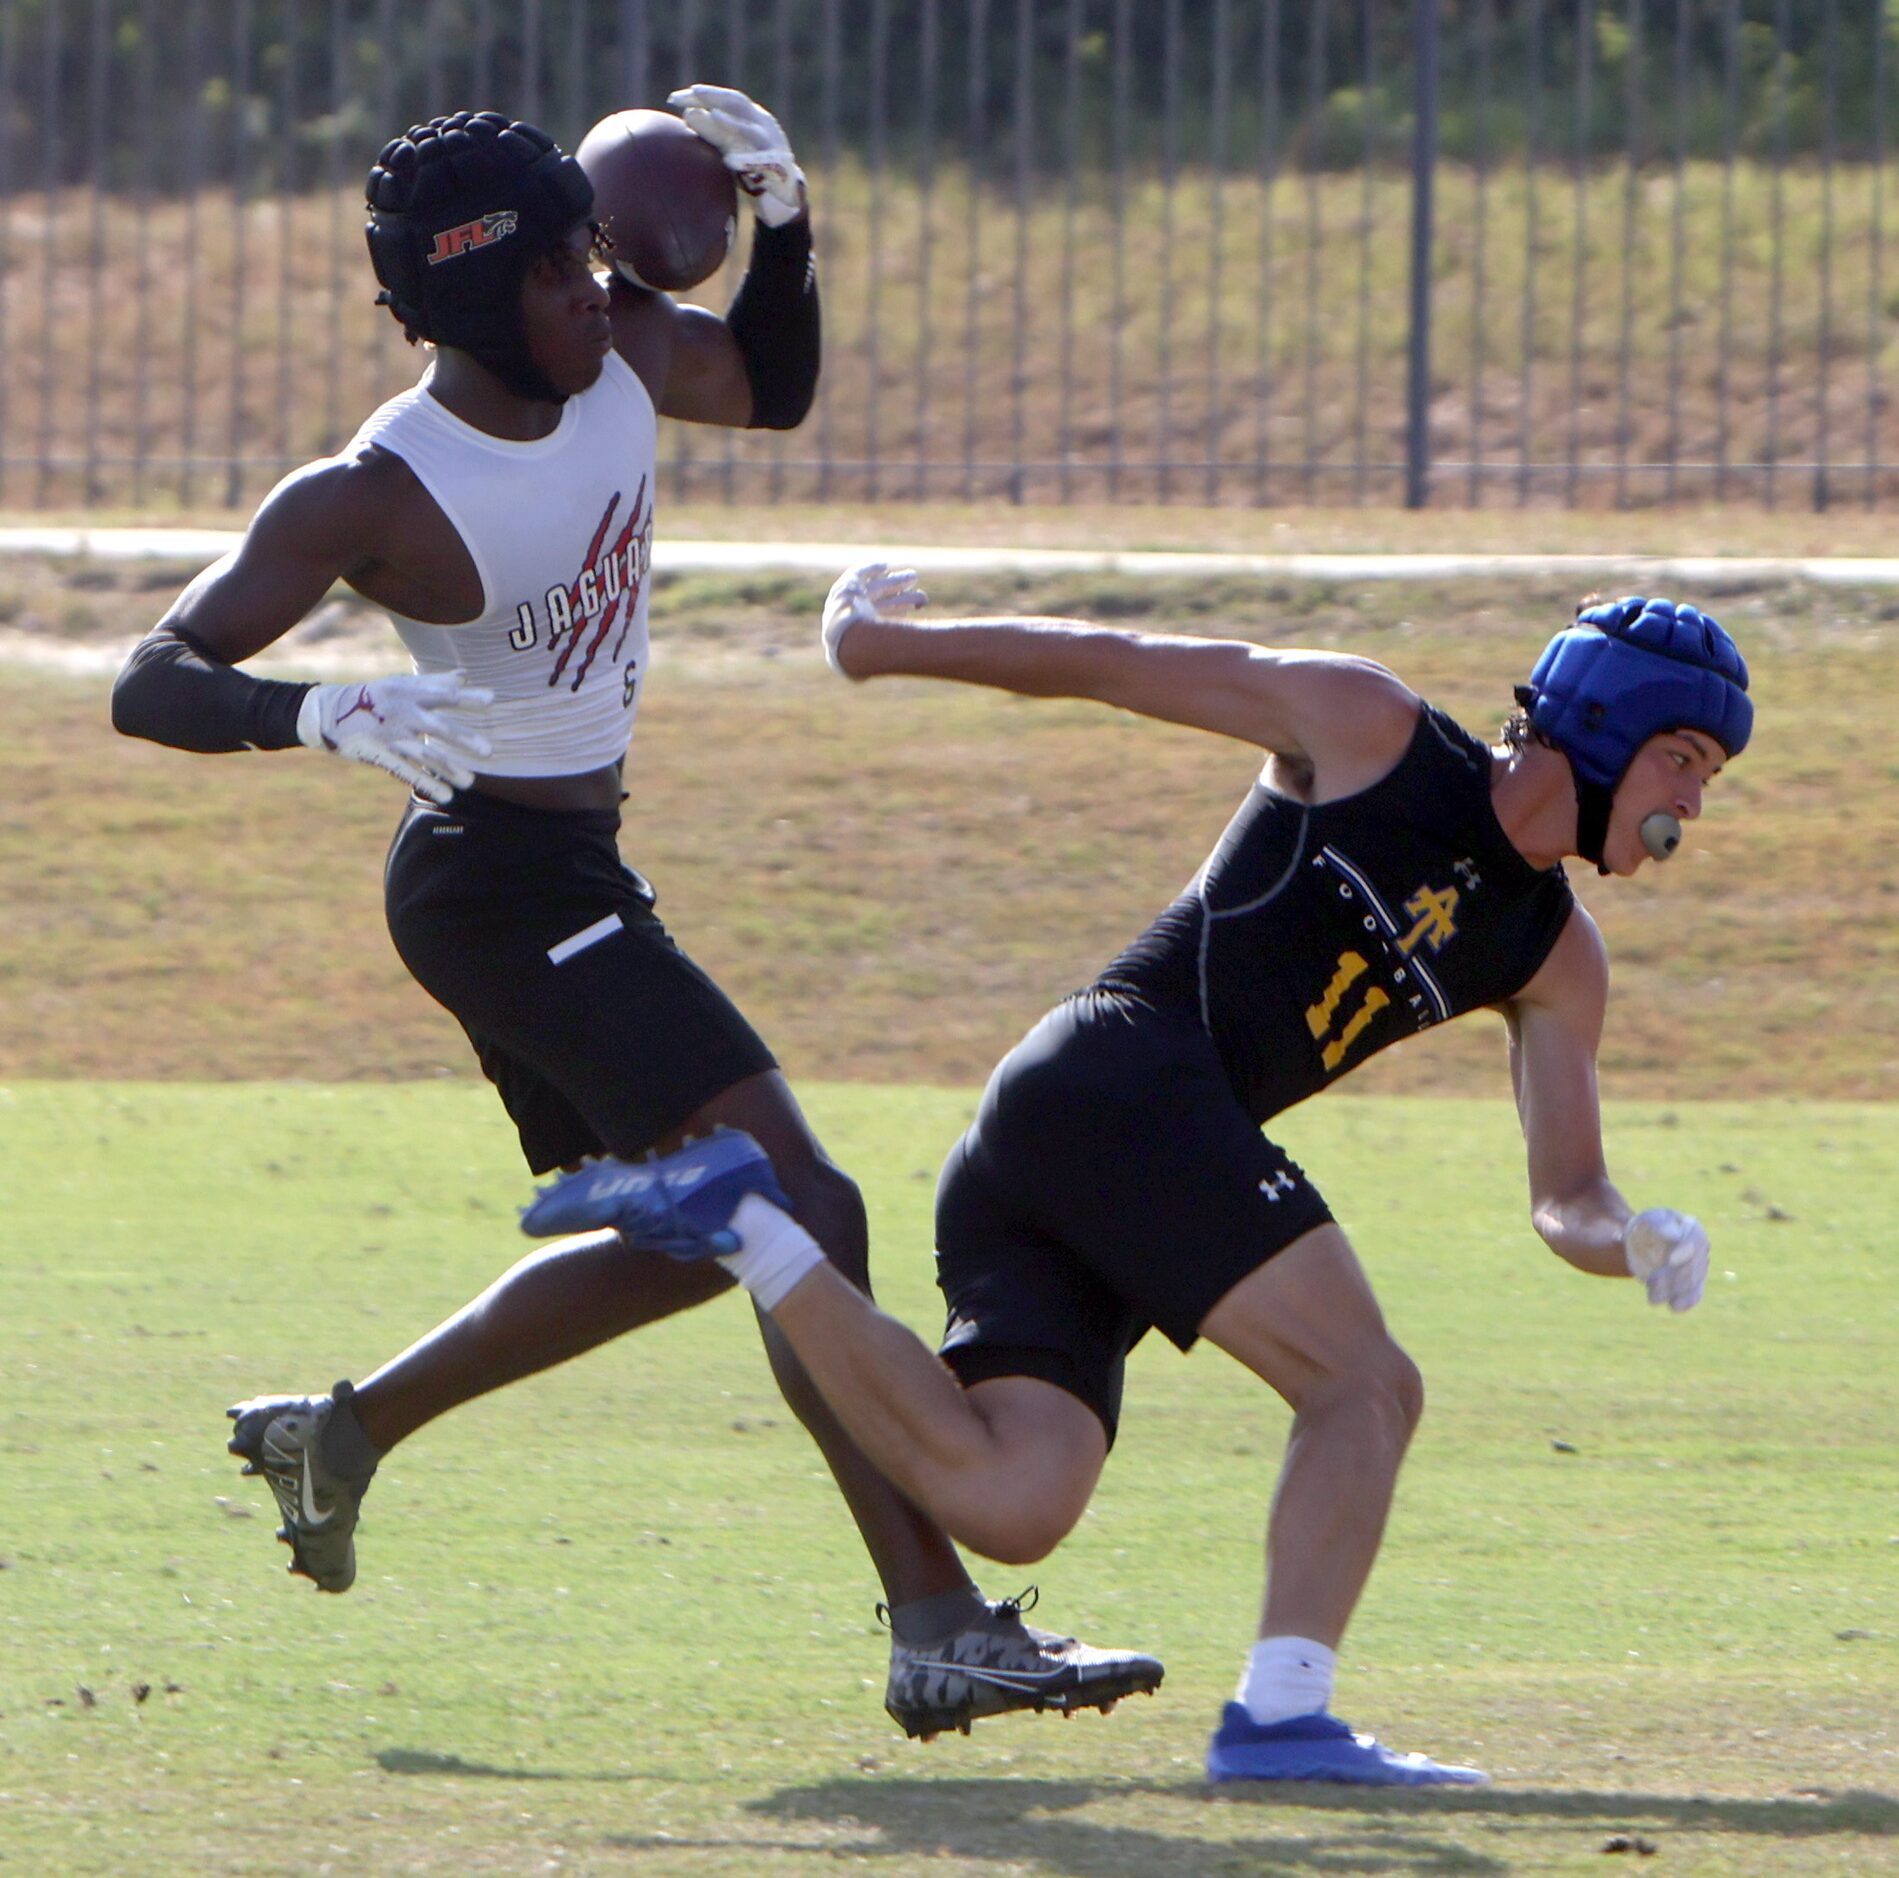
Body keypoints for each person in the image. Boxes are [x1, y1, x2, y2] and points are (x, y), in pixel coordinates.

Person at [110, 106, 1161, 1742]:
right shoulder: (376, 489)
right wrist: (306, 715)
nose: (592, 287)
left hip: (570, 874)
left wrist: (791, 227)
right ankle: (936, 1622)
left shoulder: (618, 356)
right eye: (551, 270)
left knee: (699, 1240)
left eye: (584, 249)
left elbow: (777, 384)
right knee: (793, 1206)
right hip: (492, 887)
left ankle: (346, 1429)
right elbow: (150, 678)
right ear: (462, 309)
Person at [521, 571, 1753, 1785]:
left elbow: (1566, 1196)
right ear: (1604, 725)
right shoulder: (1372, 727)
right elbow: (1115, 662)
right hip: (1118, 1076)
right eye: (1687, 759)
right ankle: (1281, 1721)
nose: (1695, 803)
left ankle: (744, 1223)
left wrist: (1631, 1237)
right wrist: (885, 644)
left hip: (1088, 1143)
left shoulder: (1555, 956)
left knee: (1013, 1502)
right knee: (1364, 1385)